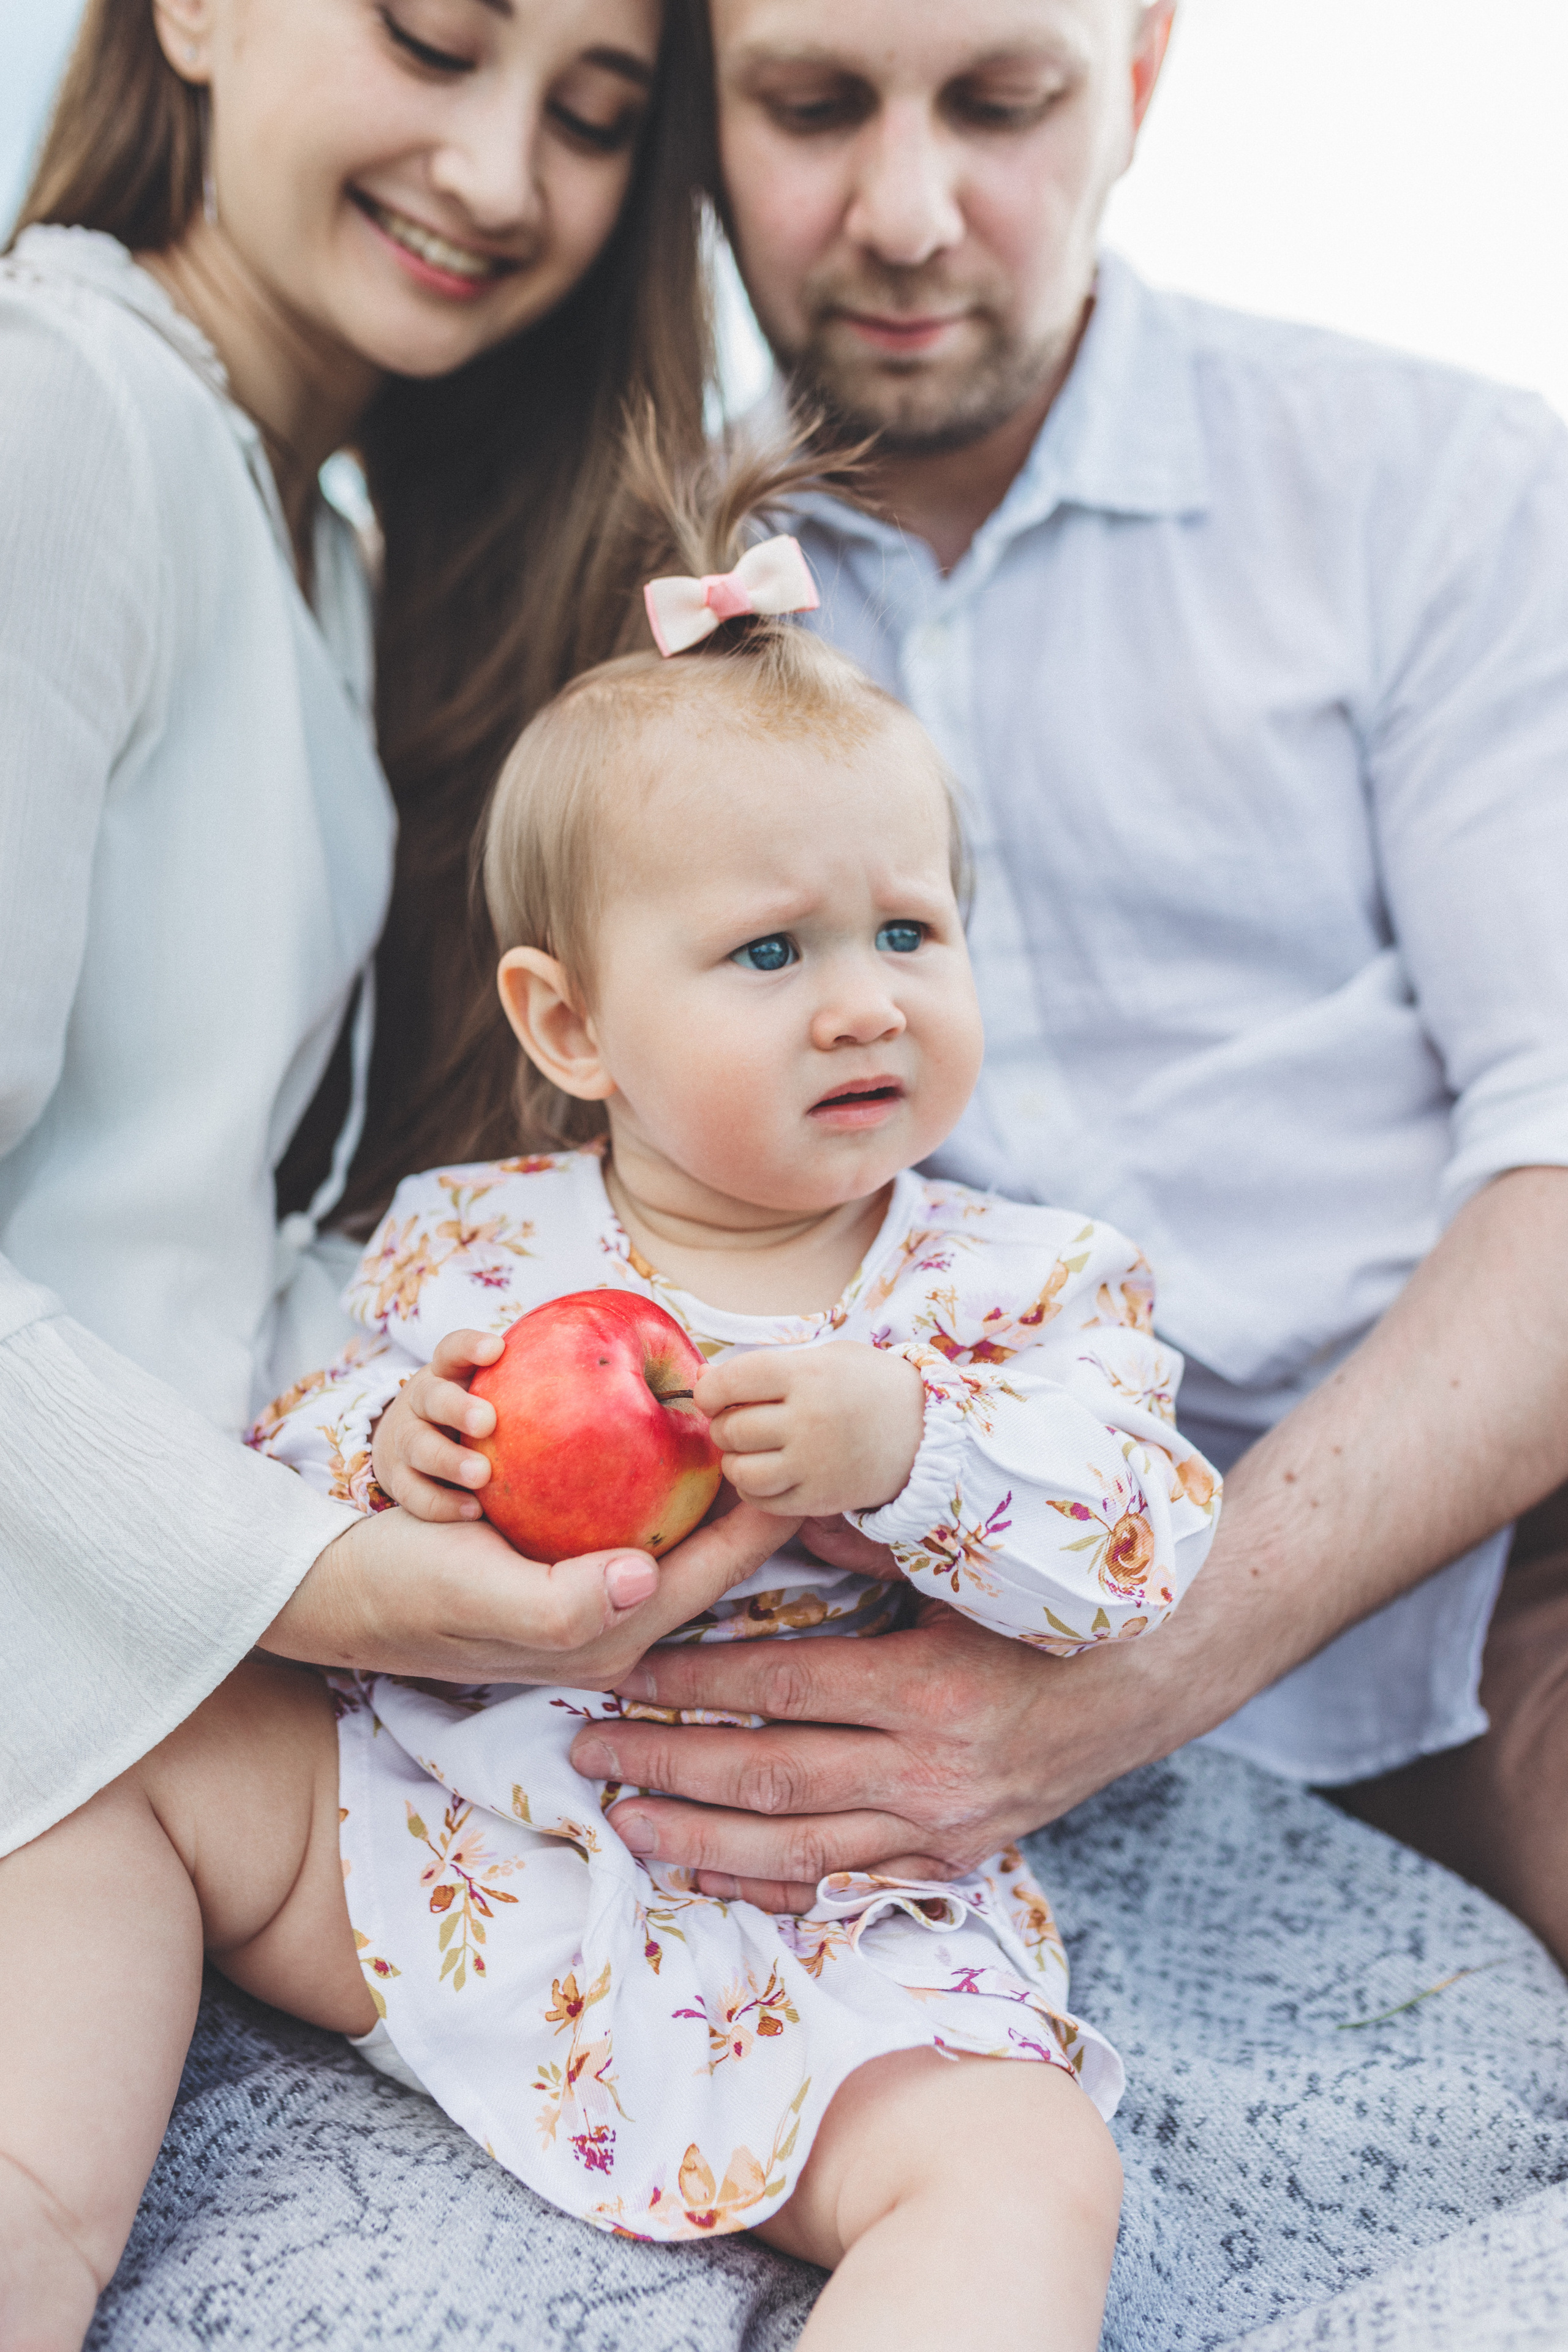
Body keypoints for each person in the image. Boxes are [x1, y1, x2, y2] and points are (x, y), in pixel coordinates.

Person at [2, 487, 1224, 2351]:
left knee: (1025, 2164)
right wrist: (378, 1455)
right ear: (571, 1030)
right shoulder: (480, 1242)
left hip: (801, 1933)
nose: (861, 1006)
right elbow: (309, 1444)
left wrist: (911, 1450)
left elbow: (1140, 1541)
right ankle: (28, 2218)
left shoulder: (1020, 1288)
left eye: (911, 929)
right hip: (441, 1838)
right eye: (769, 954)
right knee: (105, 1741)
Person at [552, 0, 1568, 1956]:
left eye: (1004, 102)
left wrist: (1129, 1677)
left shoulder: (1438, 487)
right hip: (888, 1572)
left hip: (1489, 1557)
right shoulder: (618, 609)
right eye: (816, 104)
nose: (911, 212)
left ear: (1144, 71)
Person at [0, 0, 798, 2282]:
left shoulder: (305, 517)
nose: (500, 168)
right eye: (437, 36)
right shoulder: (54, 415)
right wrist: (333, 1577)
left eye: (593, 114)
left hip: (133, 1641)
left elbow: (177, 1198)